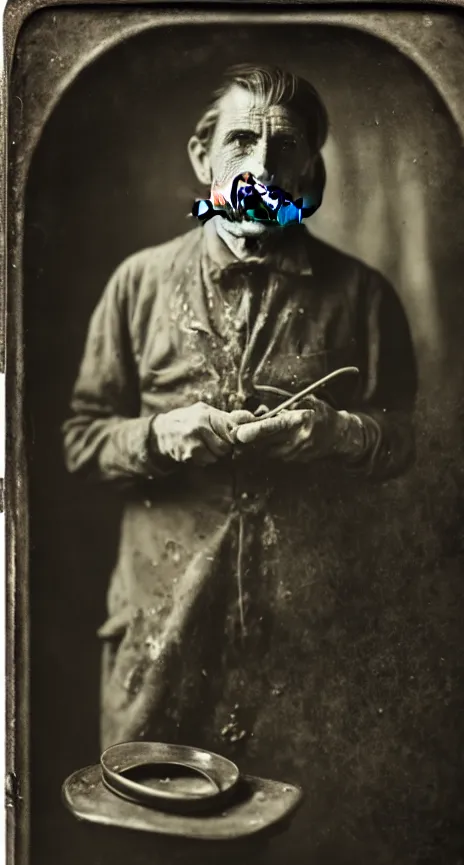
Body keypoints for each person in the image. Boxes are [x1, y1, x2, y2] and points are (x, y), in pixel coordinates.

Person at [63, 63, 417, 785]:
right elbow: (80, 440)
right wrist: (161, 436)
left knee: (298, 856)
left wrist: (336, 432)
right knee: (155, 848)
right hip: (162, 641)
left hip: (308, 646)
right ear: (202, 156)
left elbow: (403, 440)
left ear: (312, 165)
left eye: (285, 147)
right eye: (241, 142)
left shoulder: (365, 297)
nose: (262, 167)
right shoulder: (137, 284)